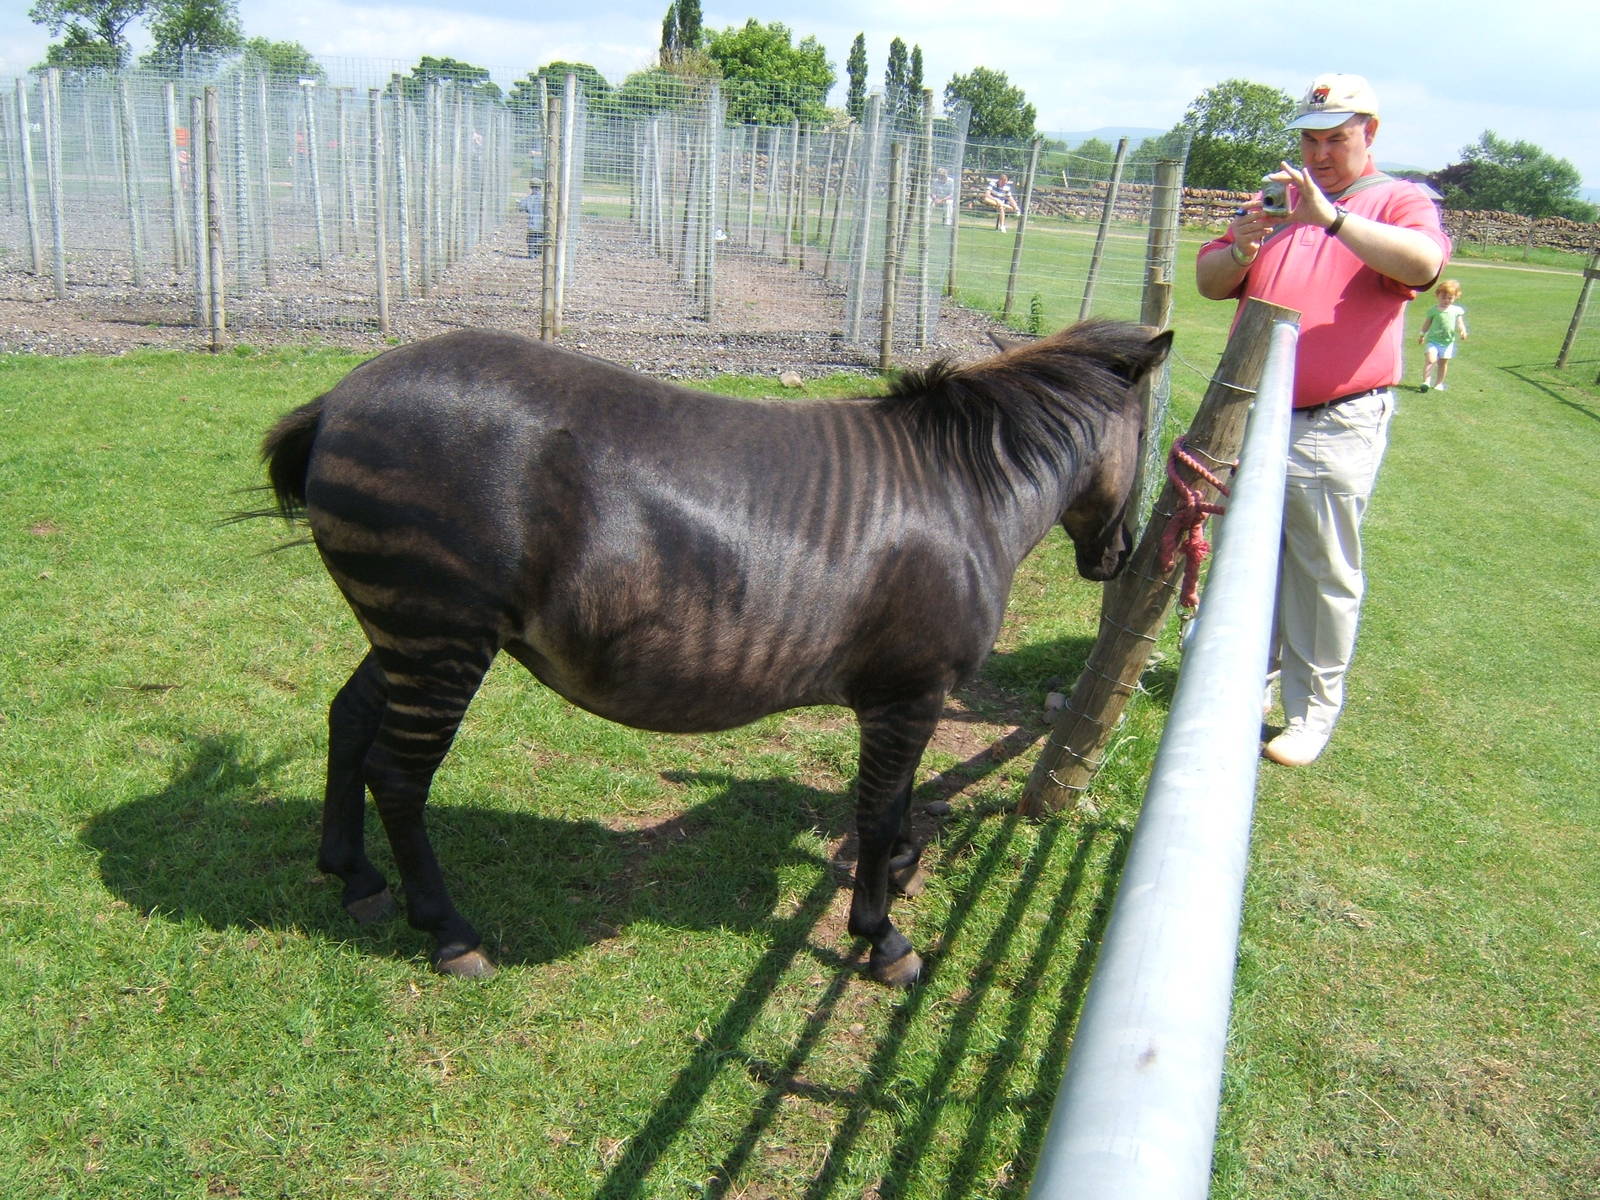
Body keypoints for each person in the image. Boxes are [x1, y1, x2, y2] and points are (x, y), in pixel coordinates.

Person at [1195, 73, 1451, 767]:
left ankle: (1312, 712)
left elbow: (1424, 264)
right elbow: (1210, 281)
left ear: (1371, 133)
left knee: (1322, 567)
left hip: (1334, 419)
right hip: (1253, 411)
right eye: (1310, 138)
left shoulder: (1398, 199)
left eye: (1336, 138)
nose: (1319, 153)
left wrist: (1331, 219)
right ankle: (1251, 683)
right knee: (1251, 556)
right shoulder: (1278, 195)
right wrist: (1243, 244)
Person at [1417, 279, 1468, 391]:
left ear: (1455, 297)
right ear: (1437, 295)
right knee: (1431, 359)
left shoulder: (1456, 310)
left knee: (1443, 363)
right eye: (1443, 297)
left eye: (1450, 298)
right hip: (1433, 341)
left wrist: (1463, 331)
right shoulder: (1433, 310)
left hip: (1447, 342)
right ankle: (1426, 381)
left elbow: (1460, 323)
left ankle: (1439, 383)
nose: (1446, 300)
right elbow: (1427, 324)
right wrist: (1422, 334)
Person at [517, 180, 546, 259]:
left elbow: (521, 208)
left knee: (531, 240)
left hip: (532, 225)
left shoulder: (528, 199)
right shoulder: (545, 199)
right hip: (543, 226)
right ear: (540, 187)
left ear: (531, 187)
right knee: (541, 240)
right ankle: (539, 254)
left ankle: (532, 254)